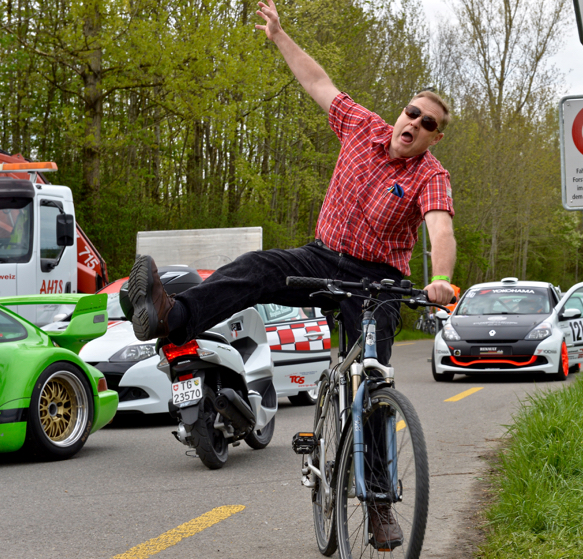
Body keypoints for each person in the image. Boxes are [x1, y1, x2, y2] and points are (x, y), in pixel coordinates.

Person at [124, 0, 456, 549]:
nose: (415, 124)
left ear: (435, 137)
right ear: (400, 114)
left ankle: (376, 505)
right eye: (412, 113)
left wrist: (440, 279)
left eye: (429, 124)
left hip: (378, 283)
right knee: (259, 268)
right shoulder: (361, 127)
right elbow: (317, 80)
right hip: (324, 258)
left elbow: (440, 231)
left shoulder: (431, 176)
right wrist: (279, 35)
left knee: (372, 379)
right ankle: (171, 317)